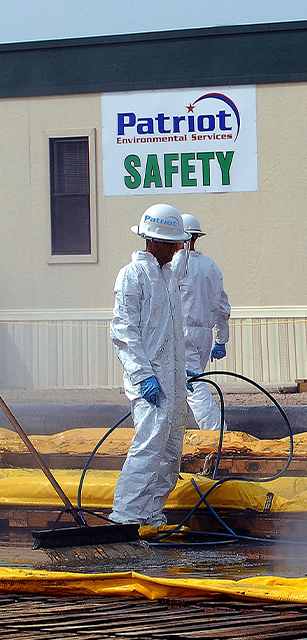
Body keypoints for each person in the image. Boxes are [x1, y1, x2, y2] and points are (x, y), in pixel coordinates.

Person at [109, 203, 190, 529]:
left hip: (171, 380)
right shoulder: (132, 276)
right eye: (172, 244)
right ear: (153, 241)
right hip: (151, 381)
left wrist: (184, 372)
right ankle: (126, 517)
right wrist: (143, 376)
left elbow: (172, 333)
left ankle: (152, 515)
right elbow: (124, 331)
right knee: (148, 448)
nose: (176, 250)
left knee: (170, 450)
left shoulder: (167, 277)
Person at [173, 213, 231, 431]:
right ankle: (180, 431)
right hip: (204, 336)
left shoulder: (176, 265)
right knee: (187, 385)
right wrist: (221, 340)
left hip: (181, 334)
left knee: (192, 387)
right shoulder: (211, 267)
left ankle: (218, 434)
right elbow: (223, 308)